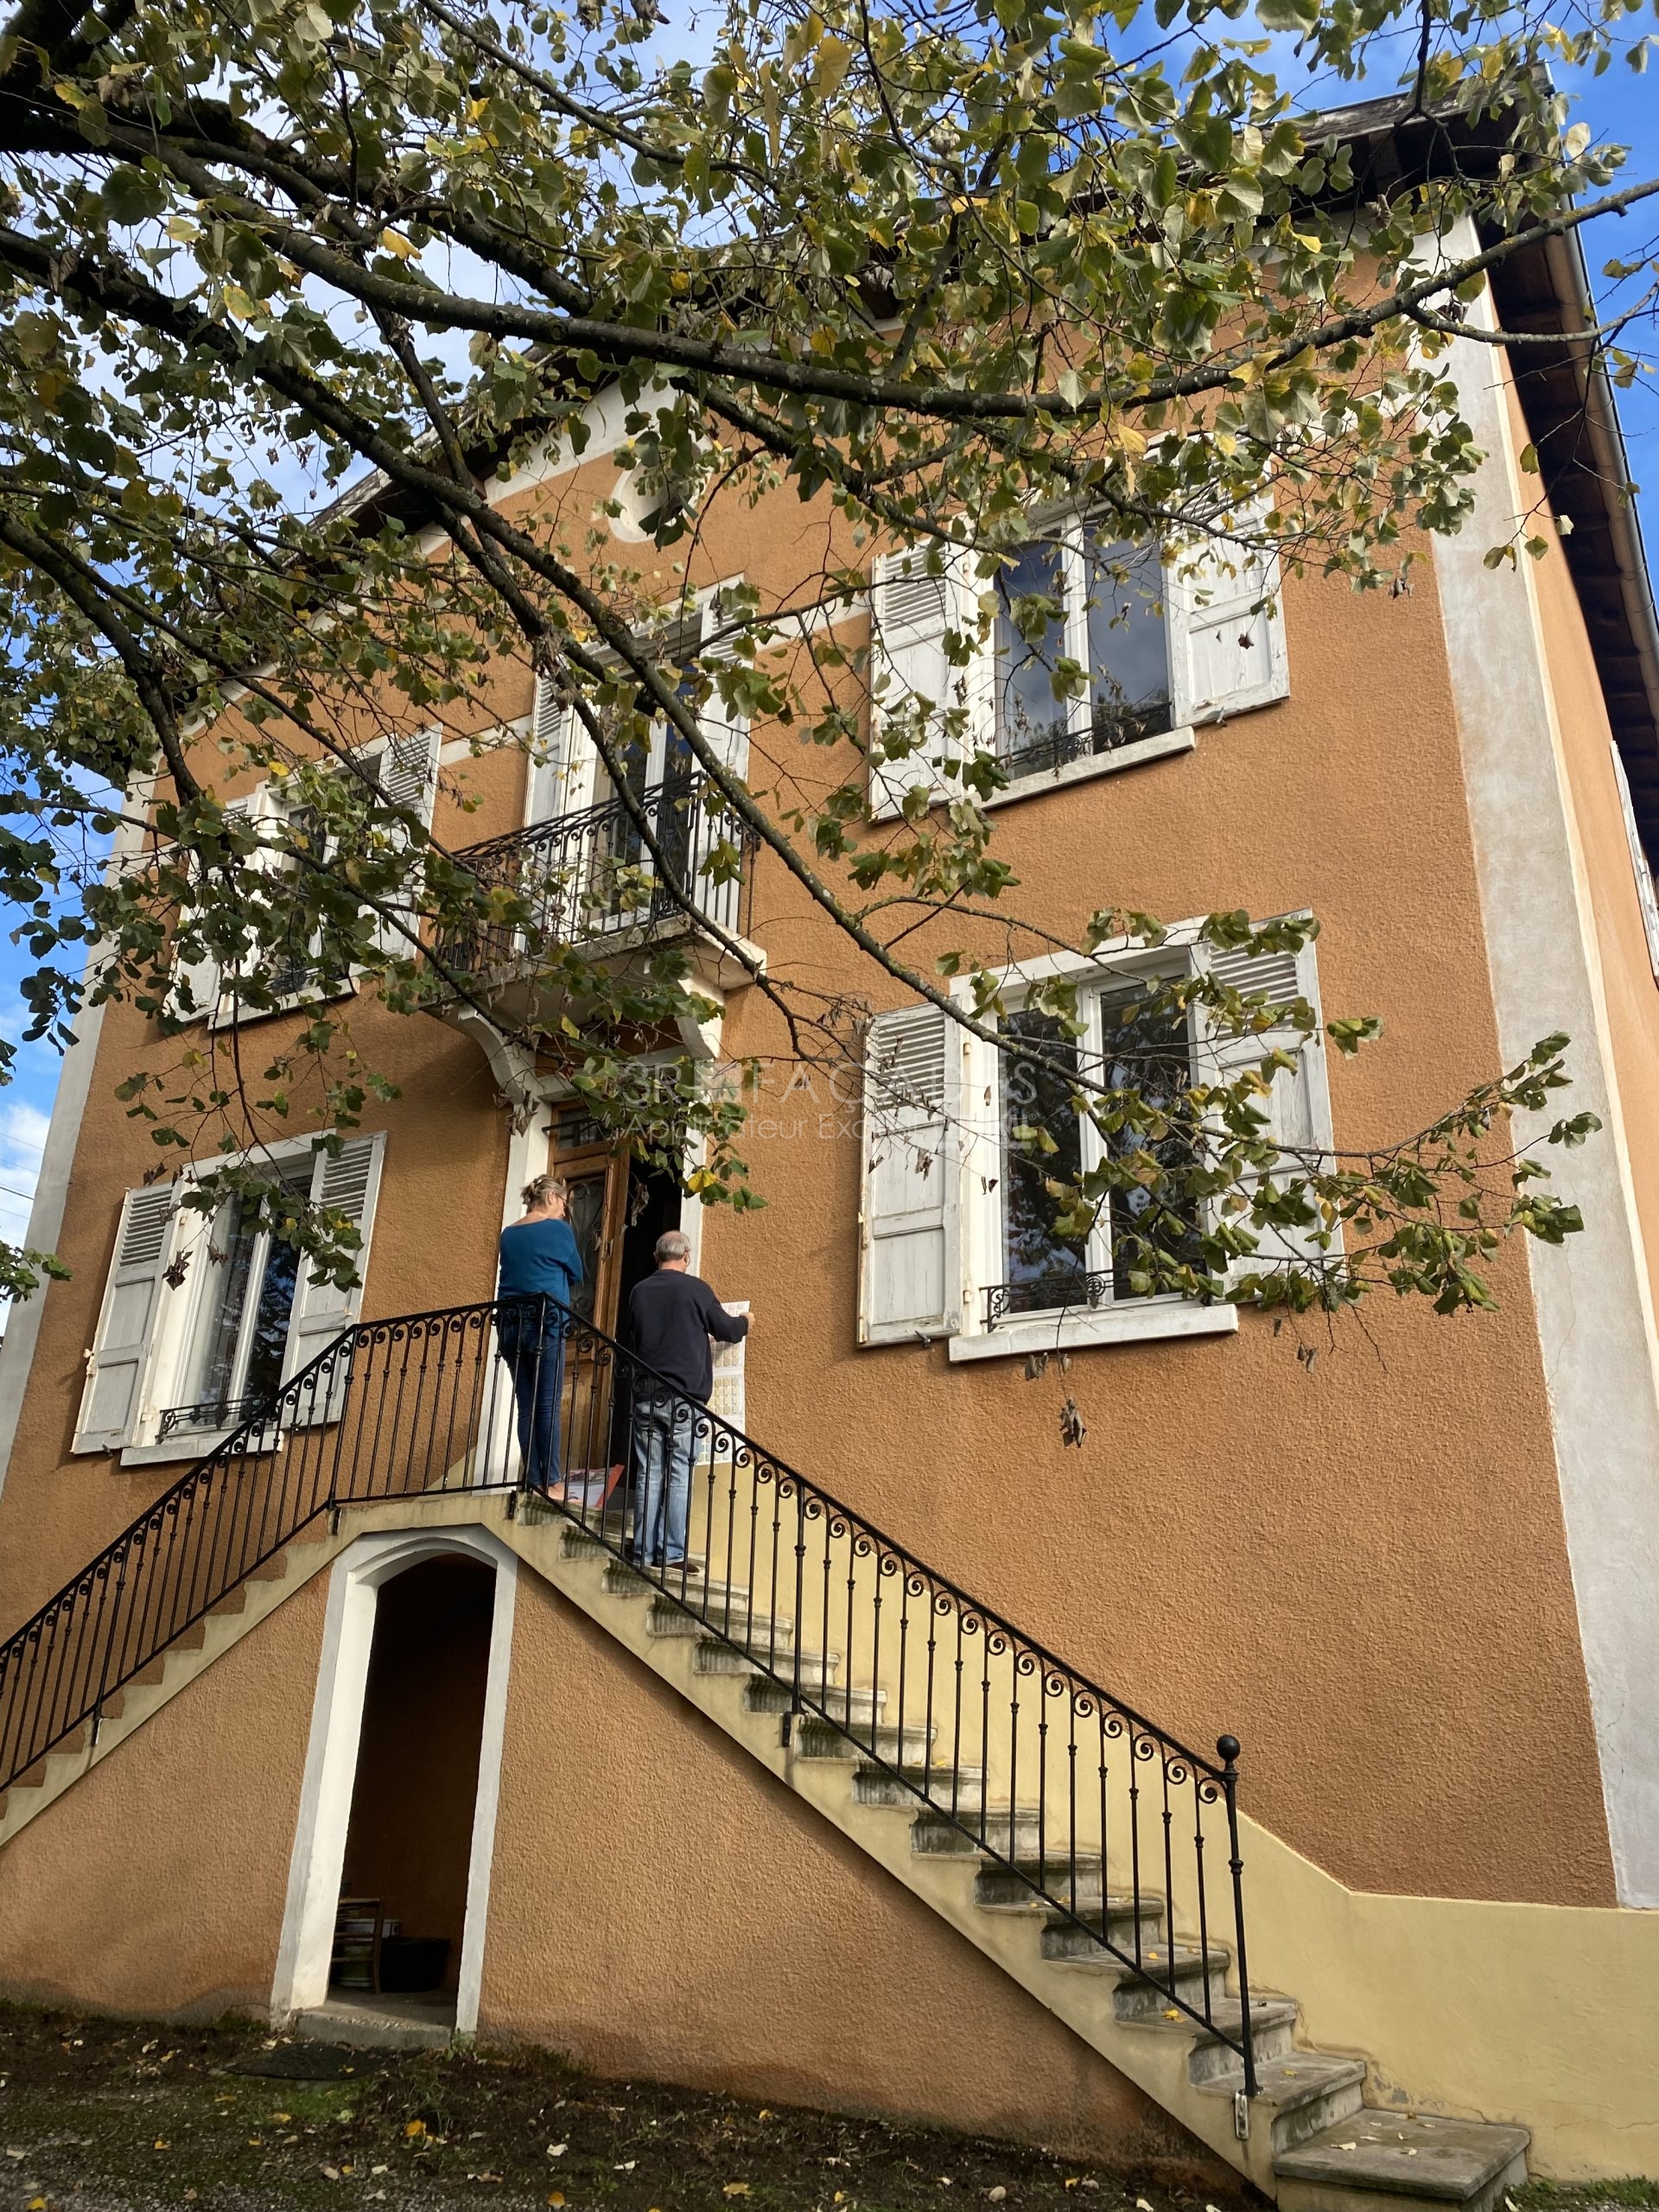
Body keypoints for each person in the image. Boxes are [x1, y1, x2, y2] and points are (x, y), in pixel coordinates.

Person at [626, 1230, 750, 1572]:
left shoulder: (638, 1291)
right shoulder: (697, 1290)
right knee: (679, 1473)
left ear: (656, 1257)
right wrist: (745, 1321)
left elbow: (635, 1332)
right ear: (687, 1257)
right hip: (684, 1397)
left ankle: (643, 1552)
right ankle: (671, 1553)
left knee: (649, 1473)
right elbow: (727, 1329)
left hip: (647, 1394)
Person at [496, 1174, 583, 1492]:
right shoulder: (558, 1230)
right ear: (551, 1198)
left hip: (510, 1323)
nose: (564, 1212)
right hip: (545, 1322)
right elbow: (577, 1272)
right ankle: (553, 1483)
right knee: (547, 1405)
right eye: (563, 1205)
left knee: (527, 1405)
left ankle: (534, 1480)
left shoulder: (509, 1233)